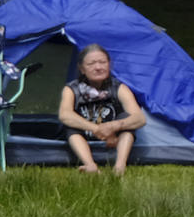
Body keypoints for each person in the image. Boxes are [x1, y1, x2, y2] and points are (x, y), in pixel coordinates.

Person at [57, 43, 146, 174]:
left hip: (114, 138)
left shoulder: (119, 87)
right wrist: (97, 129)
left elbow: (139, 118)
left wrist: (115, 126)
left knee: (127, 120)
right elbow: (65, 115)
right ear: (82, 69)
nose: (98, 67)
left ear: (109, 65)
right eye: (91, 64)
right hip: (84, 135)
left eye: (102, 62)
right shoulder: (71, 89)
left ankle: (120, 165)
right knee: (71, 126)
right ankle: (90, 165)